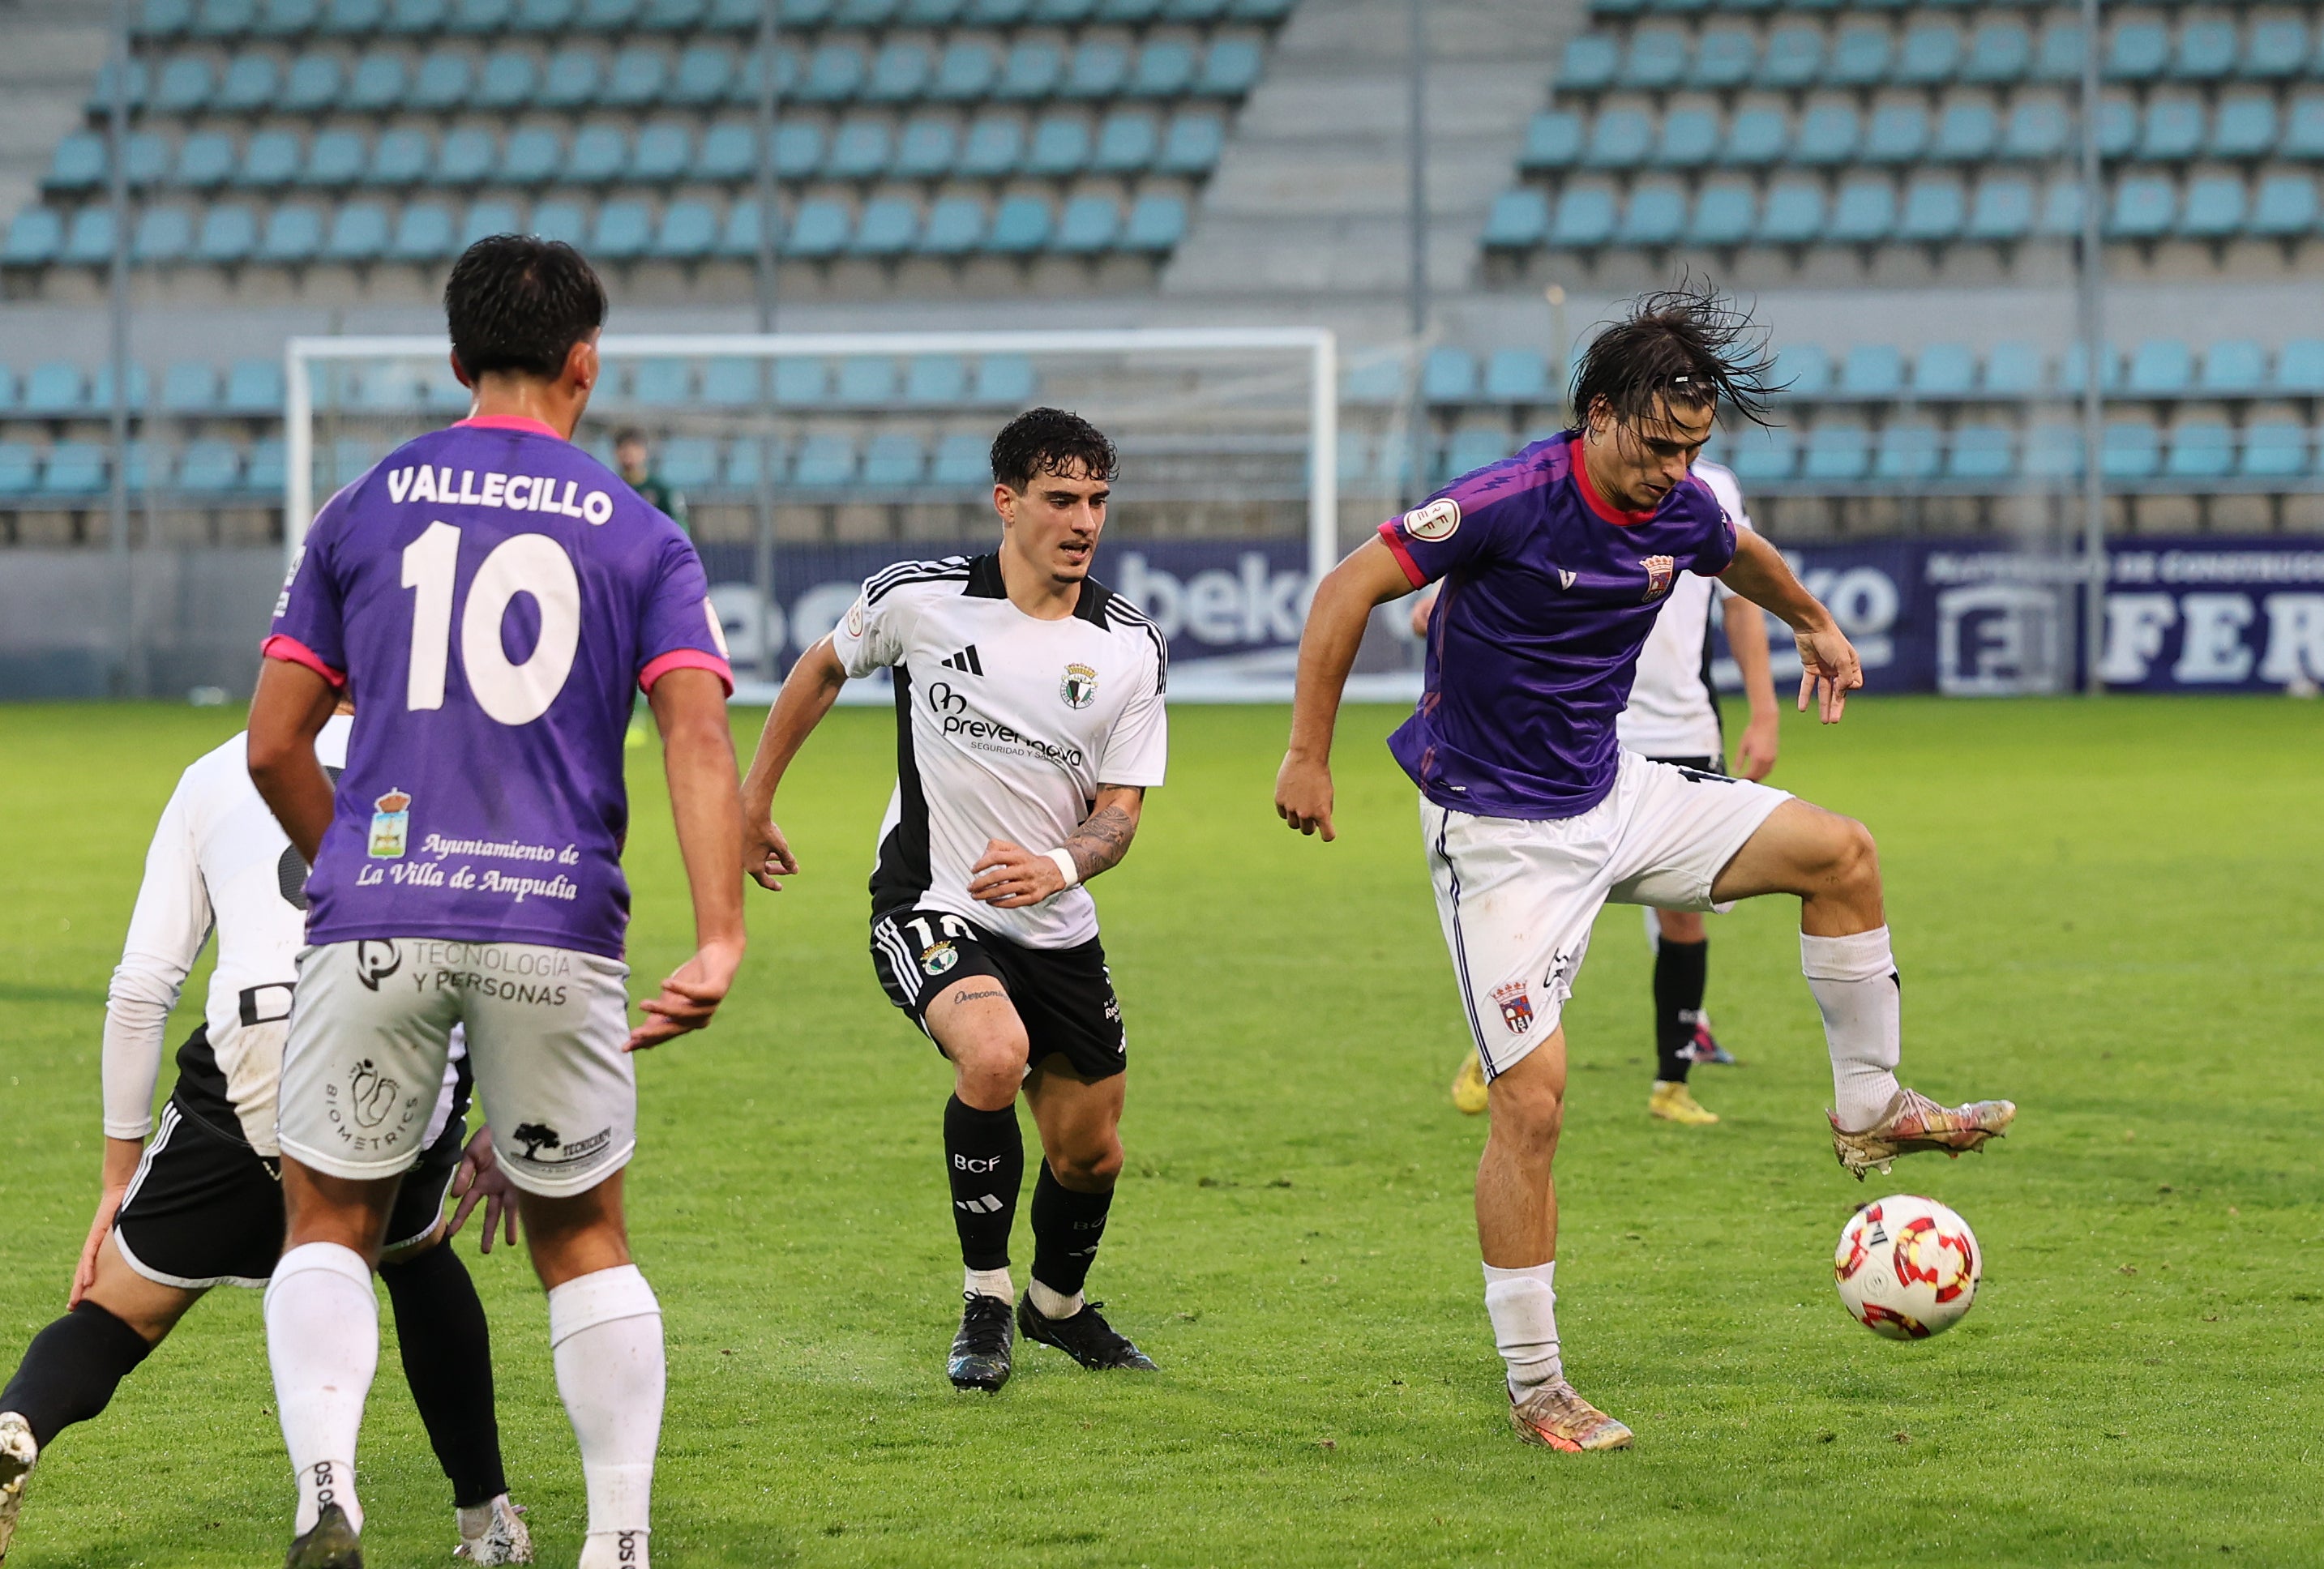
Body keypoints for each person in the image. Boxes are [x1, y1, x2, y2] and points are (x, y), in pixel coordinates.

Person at [1273, 284, 2015, 1453]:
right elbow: (1344, 589)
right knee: (1532, 1102)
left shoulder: (1680, 508)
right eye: (1657, 445)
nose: (1673, 471)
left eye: (1692, 451)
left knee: (1842, 855)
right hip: (1496, 834)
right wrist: (1306, 754)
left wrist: (1816, 624)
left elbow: (1742, 556)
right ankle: (1536, 1386)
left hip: (1612, 793)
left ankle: (1867, 1106)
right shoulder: (1507, 498)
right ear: (1599, 414)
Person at [246, 234, 745, 1569]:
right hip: (556, 923)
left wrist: (353, 862)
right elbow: (695, 735)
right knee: (584, 1237)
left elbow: (272, 744)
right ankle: (619, 1543)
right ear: (587, 362)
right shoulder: (643, 533)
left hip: (380, 919)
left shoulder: (365, 504)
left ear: (456, 361)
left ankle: (325, 1490)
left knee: (332, 1224)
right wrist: (719, 932)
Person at [0, 703, 533, 1567]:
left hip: (254, 1042)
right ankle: (483, 1522)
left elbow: (141, 988)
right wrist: (512, 1116)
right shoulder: (452, 762)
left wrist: (117, 1178)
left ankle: (16, 1419)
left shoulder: (214, 771)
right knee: (411, 1247)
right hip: (395, 1032)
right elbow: (512, 949)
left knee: (120, 1310)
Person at [737, 408, 1168, 1393]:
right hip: (932, 900)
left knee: (1091, 1152)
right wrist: (750, 800)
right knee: (993, 1052)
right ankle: (984, 1299)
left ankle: (1055, 1310)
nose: (1083, 521)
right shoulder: (920, 600)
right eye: (1061, 499)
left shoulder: (1129, 645)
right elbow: (819, 669)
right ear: (1006, 501)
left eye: (1098, 501)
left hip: (1055, 922)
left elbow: (1121, 812)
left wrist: (1056, 867)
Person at [1432, 456, 1779, 1125]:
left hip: (1678, 720)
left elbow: (1740, 604)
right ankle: (1499, 1047)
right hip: (1573, 724)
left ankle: (1672, 1081)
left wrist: (1762, 711)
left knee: (1686, 913)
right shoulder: (1566, 485)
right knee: (1552, 906)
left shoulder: (1714, 491)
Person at [614, 429, 689, 535]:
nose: (628, 455)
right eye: (623, 449)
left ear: (644, 452)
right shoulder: (610, 489)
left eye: (634, 449)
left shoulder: (662, 491)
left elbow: (679, 529)